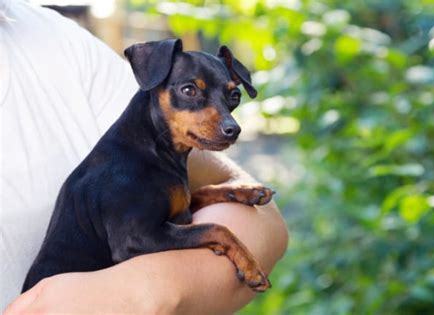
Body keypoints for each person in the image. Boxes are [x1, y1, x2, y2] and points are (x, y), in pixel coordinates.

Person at [0, 0, 288, 313]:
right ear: (154, 84)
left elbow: (266, 221)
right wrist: (219, 235)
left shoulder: (62, 42)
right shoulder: (122, 165)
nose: (227, 122)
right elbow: (135, 240)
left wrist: (152, 290)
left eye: (231, 98)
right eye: (190, 92)